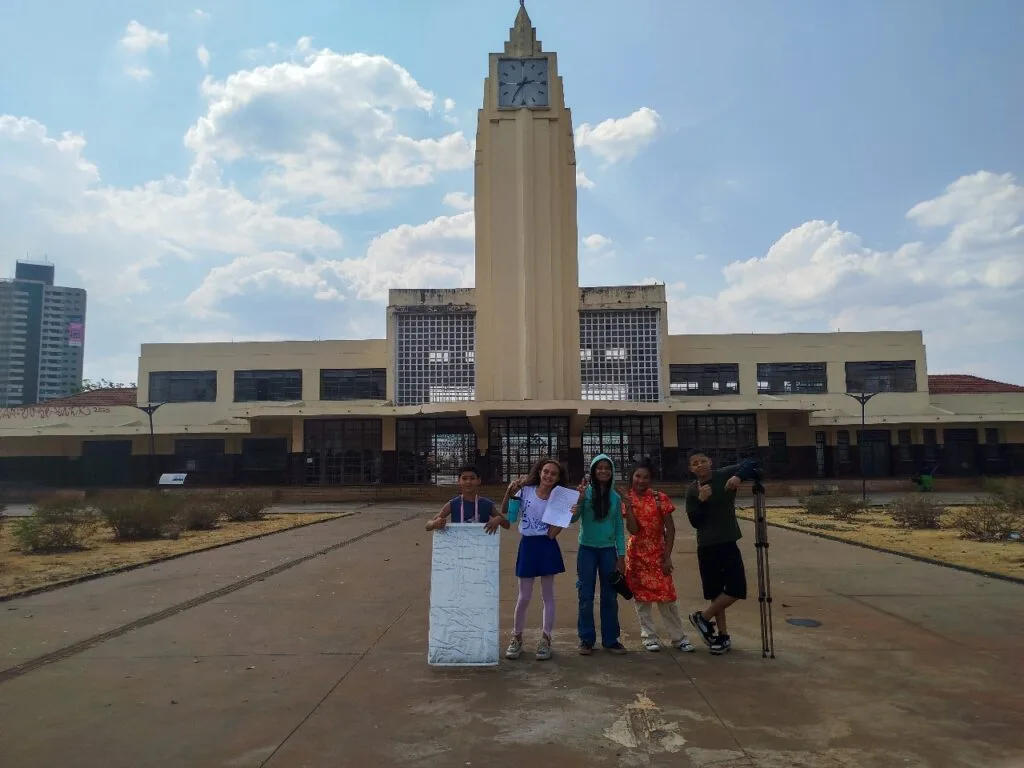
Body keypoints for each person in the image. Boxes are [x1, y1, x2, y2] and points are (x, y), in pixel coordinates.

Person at [490, 457, 568, 661]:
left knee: (548, 596)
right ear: (539, 472)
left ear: (558, 478)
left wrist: (566, 517)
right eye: (546, 471)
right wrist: (509, 490)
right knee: (524, 597)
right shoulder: (525, 490)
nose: (549, 476)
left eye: (553, 473)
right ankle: (516, 638)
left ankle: (546, 638)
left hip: (547, 546)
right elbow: (509, 514)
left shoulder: (559, 498)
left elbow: (552, 533)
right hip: (528, 545)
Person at [684, 449, 760, 655]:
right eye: (695, 463)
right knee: (716, 593)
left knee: (736, 588)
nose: (699, 465)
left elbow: (753, 462)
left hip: (727, 541)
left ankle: (703, 617)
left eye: (702, 461)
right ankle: (722, 637)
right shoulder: (692, 490)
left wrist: (738, 476)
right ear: (691, 469)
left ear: (710, 462)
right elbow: (695, 522)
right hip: (707, 545)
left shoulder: (724, 475)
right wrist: (701, 500)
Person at [622, 459, 696, 653]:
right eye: (638, 476)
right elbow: (633, 530)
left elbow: (670, 529)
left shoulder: (660, 498)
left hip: (658, 554)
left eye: (645, 477)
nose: (641, 480)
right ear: (632, 477)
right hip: (637, 555)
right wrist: (629, 508)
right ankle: (649, 636)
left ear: (651, 479)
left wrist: (667, 556)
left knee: (667, 598)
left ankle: (679, 638)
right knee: (642, 600)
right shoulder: (627, 499)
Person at [570, 453, 628, 655]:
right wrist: (577, 500)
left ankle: (611, 639)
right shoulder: (585, 493)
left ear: (612, 472)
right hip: (586, 550)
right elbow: (572, 519)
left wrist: (621, 556)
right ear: (593, 471)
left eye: (607, 467)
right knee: (585, 595)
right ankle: (586, 639)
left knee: (610, 596)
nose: (603, 471)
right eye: (599, 467)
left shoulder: (616, 497)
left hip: (608, 552)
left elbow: (619, 528)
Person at [425, 464, 506, 533]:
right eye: (464, 478)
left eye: (472, 478)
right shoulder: (453, 504)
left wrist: (499, 519)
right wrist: (434, 523)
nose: (468, 482)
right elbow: (428, 526)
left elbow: (507, 525)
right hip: (459, 548)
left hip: (481, 548)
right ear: (459, 481)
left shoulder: (487, 504)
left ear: (479, 480)